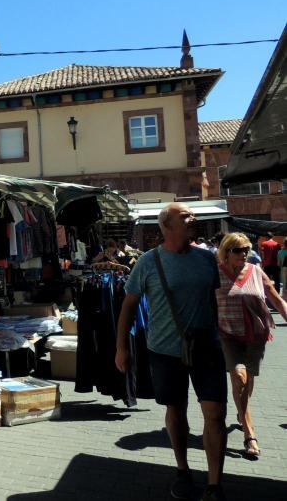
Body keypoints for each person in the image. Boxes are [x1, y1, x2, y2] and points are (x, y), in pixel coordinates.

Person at [116, 203, 226, 501]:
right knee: (176, 410)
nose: (193, 219)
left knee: (215, 413)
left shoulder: (207, 259)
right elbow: (129, 306)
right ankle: (183, 470)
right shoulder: (148, 262)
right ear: (166, 225)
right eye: (185, 216)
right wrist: (121, 347)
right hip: (165, 350)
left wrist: (219, 334)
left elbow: (211, 301)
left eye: (192, 215)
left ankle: (215, 485)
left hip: (206, 347)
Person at [215, 233, 287, 459]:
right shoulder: (215, 273)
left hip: (256, 335)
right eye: (238, 250)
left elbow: (276, 299)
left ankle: (241, 412)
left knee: (248, 381)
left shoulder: (255, 271)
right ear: (227, 251)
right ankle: (249, 433)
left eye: (246, 249)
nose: (244, 254)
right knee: (239, 377)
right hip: (228, 335)